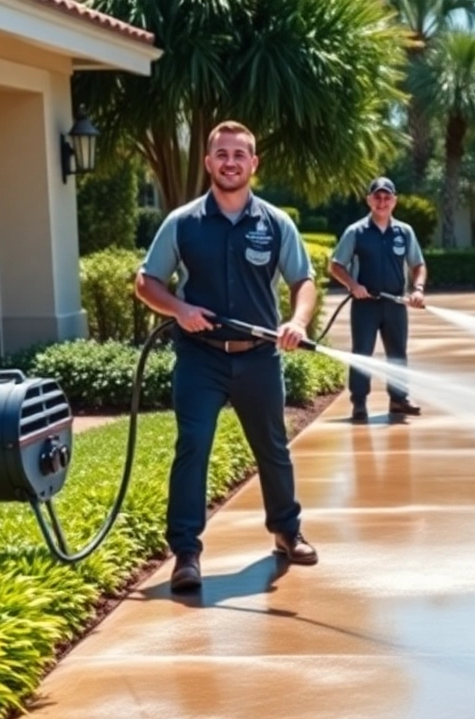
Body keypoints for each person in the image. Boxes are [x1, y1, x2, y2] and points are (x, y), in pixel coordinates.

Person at [134, 120, 319, 593]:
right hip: (201, 358)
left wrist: (297, 322)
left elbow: (305, 282)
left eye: (240, 154)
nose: (230, 161)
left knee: (272, 447)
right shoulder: (183, 222)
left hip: (259, 358)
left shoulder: (276, 223)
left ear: (253, 163)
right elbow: (146, 282)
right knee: (192, 446)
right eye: (222, 153)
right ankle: (187, 553)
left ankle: (285, 530)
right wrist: (179, 308)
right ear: (208, 161)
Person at [329, 177, 428, 423]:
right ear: (369, 200)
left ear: (394, 201)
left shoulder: (404, 232)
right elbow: (335, 265)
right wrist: (353, 285)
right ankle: (359, 403)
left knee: (397, 353)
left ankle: (398, 399)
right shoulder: (356, 232)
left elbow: (418, 265)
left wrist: (417, 289)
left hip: (395, 304)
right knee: (362, 354)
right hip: (365, 305)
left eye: (387, 197)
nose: (382, 202)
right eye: (377, 197)